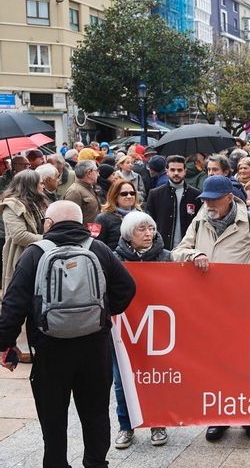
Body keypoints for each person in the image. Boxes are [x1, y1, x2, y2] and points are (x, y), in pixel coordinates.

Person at [0, 200, 135, 468]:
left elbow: (13, 304)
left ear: (48, 223)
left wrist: (6, 344)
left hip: (50, 349)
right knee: (96, 413)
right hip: (95, 347)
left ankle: (56, 463)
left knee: (53, 417)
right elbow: (127, 288)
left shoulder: (34, 253)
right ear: (82, 224)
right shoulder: (98, 249)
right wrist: (103, 313)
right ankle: (96, 463)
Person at [172, 175, 250, 441]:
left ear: (229, 198)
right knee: (215, 362)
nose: (208, 204)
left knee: (245, 362)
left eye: (214, 200)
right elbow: (178, 251)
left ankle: (249, 415)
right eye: (205, 200)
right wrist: (193, 255)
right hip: (209, 307)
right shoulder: (200, 221)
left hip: (242, 305)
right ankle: (219, 416)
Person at [112, 211, 170, 449]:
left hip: (158, 328)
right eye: (142, 230)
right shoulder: (115, 258)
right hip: (125, 329)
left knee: (157, 377)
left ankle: (158, 423)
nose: (148, 234)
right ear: (128, 235)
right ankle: (126, 426)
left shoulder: (166, 257)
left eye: (151, 229)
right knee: (122, 379)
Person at [144, 155, 202, 251]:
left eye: (179, 170)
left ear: (185, 171)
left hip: (188, 249)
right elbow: (149, 221)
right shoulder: (155, 194)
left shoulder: (195, 195)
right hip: (161, 249)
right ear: (167, 171)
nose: (176, 173)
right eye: (172, 170)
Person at [95, 180, 140, 251]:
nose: (129, 196)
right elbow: (96, 245)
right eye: (124, 194)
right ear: (115, 196)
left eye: (132, 193)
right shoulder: (101, 218)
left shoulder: (143, 216)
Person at [63, 159, 101, 225]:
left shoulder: (89, 187)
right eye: (97, 171)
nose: (98, 174)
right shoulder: (74, 191)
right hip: (84, 233)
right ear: (89, 173)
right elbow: (71, 221)